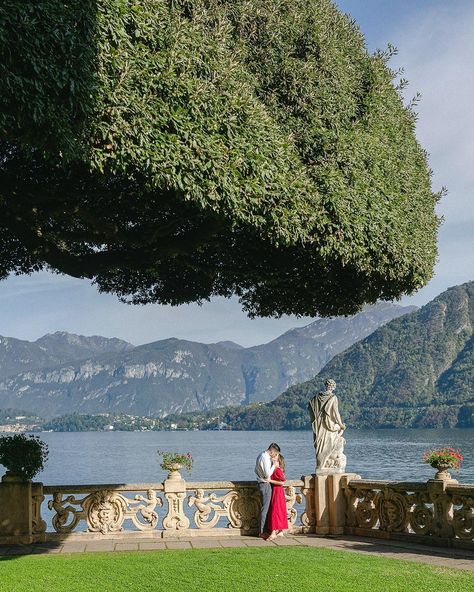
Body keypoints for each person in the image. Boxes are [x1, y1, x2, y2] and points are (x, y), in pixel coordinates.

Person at [255, 442, 280, 539]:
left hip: (261, 483)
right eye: (276, 453)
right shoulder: (265, 458)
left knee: (265, 508)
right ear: (272, 451)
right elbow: (267, 474)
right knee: (265, 508)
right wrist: (274, 465)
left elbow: (255, 469)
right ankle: (262, 531)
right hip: (265, 484)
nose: (275, 456)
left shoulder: (260, 455)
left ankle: (264, 530)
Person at [265, 453, 288, 540]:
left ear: (279, 462)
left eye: (275, 460)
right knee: (279, 511)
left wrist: (270, 480)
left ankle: (274, 532)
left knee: (275, 511)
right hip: (276, 491)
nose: (273, 461)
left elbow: (282, 482)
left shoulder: (277, 470)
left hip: (277, 492)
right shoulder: (275, 469)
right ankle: (280, 531)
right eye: (273, 460)